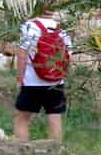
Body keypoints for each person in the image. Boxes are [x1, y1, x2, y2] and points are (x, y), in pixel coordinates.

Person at [11, 11, 72, 143]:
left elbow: (22, 54)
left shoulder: (29, 26)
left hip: (32, 82)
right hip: (56, 81)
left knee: (22, 118)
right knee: (54, 117)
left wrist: (19, 78)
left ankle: (21, 152)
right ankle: (56, 151)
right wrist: (60, 75)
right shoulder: (61, 28)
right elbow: (68, 56)